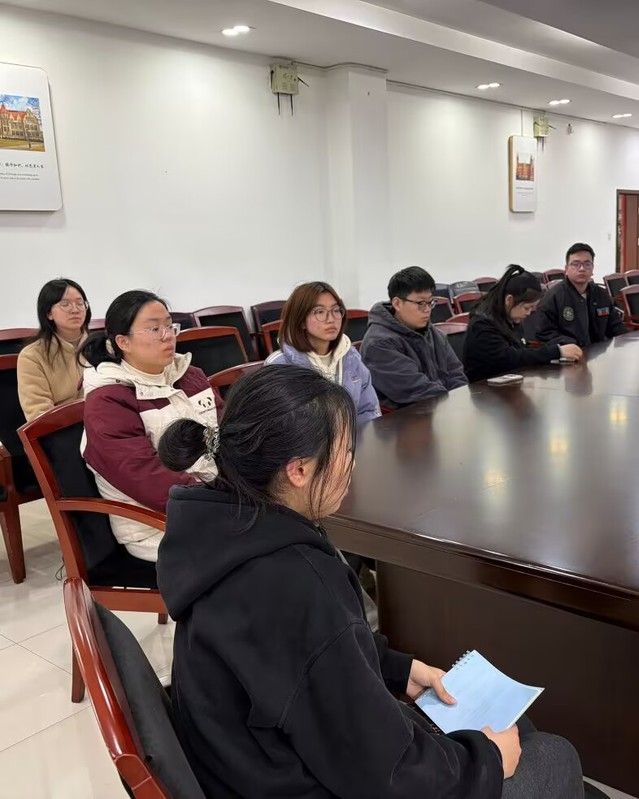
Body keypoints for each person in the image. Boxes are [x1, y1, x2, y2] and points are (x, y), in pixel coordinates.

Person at [156, 365, 593, 799]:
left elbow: (305, 664)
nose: (353, 463)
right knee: (555, 756)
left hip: (251, 763)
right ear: (299, 470)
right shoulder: (296, 584)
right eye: (346, 451)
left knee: (513, 725)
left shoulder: (224, 532)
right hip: (294, 780)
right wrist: (487, 762)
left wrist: (397, 669)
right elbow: (386, 774)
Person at [79, 290, 221, 561]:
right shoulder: (109, 400)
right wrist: (221, 499)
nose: (168, 336)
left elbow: (228, 433)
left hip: (213, 502)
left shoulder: (191, 376)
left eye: (170, 326)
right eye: (155, 329)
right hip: (156, 524)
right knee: (262, 550)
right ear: (123, 342)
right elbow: (145, 477)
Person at [265, 281, 380, 424]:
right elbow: (277, 425)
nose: (331, 319)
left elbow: (369, 410)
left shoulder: (351, 358)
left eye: (336, 310)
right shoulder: (279, 366)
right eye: (319, 312)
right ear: (301, 321)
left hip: (354, 437)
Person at [361, 266, 468, 408]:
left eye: (430, 302)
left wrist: (462, 401)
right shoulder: (378, 344)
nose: (427, 310)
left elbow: (456, 374)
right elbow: (417, 390)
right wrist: (454, 404)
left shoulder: (432, 333)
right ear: (397, 304)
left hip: (444, 408)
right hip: (408, 417)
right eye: (421, 303)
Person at [463, 265, 583, 382]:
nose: (529, 313)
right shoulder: (482, 324)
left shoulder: (509, 317)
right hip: (484, 389)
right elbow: (510, 357)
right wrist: (557, 352)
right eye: (527, 308)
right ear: (509, 300)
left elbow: (520, 349)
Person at [17, 278, 91, 421]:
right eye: (65, 304)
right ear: (48, 313)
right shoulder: (32, 356)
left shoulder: (103, 346)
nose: (75, 310)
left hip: (105, 423)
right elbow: (39, 416)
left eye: (80, 303)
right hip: (62, 430)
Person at [532, 243, 625, 346]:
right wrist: (570, 344)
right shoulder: (553, 296)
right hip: (569, 353)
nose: (582, 269)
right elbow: (544, 332)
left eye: (587, 264)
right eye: (576, 264)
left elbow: (616, 327)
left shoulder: (601, 294)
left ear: (592, 268)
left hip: (599, 352)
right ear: (566, 269)